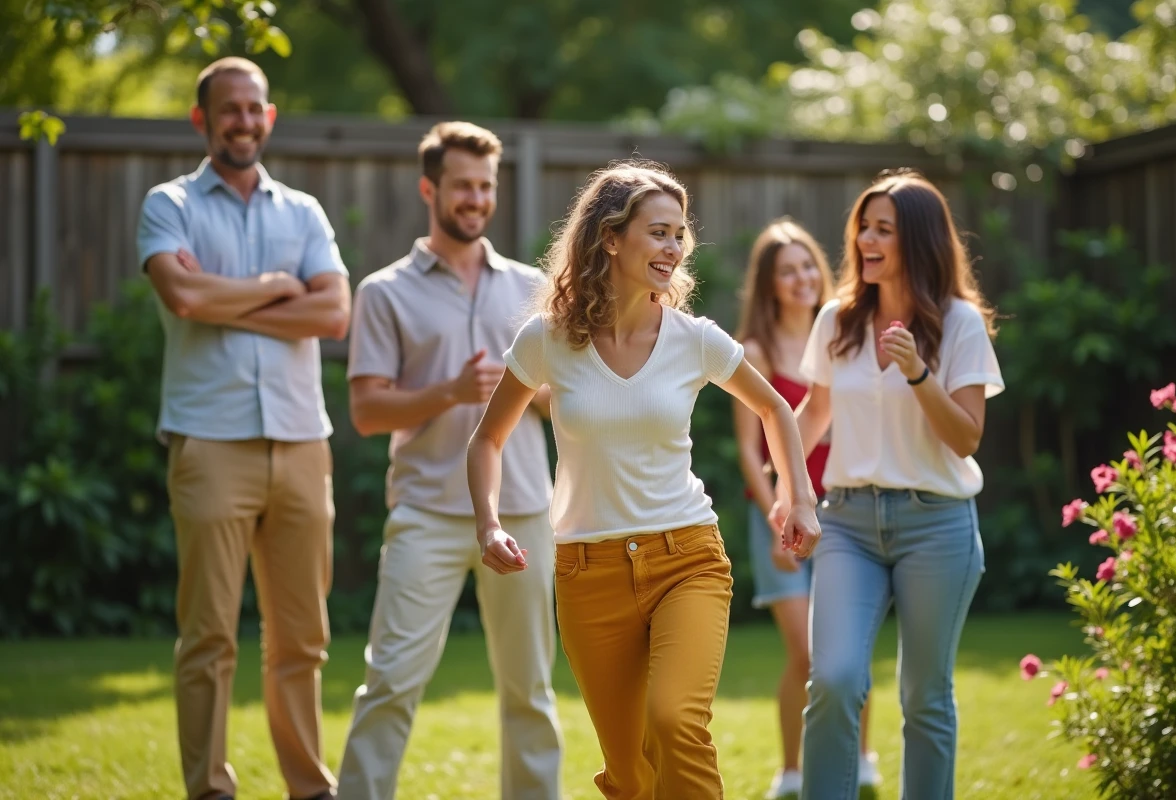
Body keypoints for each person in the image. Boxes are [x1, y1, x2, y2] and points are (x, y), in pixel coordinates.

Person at [466, 161, 823, 800]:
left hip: (687, 558)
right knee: (630, 773)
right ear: (610, 237)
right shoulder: (548, 339)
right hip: (587, 571)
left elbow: (775, 409)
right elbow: (487, 439)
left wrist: (799, 499)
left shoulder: (695, 339)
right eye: (659, 232)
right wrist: (489, 523)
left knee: (674, 720)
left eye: (679, 234)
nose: (673, 247)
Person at [136, 57, 350, 800]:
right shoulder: (168, 205)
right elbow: (183, 299)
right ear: (202, 119)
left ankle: (310, 788)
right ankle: (210, 790)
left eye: (254, 108)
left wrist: (221, 298)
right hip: (209, 441)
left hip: (301, 441)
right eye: (229, 109)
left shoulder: (304, 212)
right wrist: (276, 289)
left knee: (303, 638)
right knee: (208, 636)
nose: (243, 121)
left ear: (271, 116)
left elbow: (334, 313)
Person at [337, 121, 562, 800]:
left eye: (486, 186)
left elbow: (559, 402)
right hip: (427, 512)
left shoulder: (532, 288)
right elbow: (367, 412)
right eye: (463, 185)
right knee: (391, 681)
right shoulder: (383, 292)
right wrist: (450, 392)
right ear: (429, 189)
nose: (476, 199)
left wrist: (526, 393)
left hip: (523, 509)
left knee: (530, 688)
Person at [773, 169, 1004, 800]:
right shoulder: (838, 319)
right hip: (848, 522)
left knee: (925, 696)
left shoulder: (959, 323)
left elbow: (966, 437)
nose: (866, 241)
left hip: (937, 525)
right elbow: (812, 414)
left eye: (884, 230)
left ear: (920, 240)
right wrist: (787, 489)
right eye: (864, 227)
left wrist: (919, 373)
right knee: (834, 679)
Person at [731, 218, 880, 798]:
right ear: (769, 285)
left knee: (847, 648)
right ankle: (792, 771)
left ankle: (862, 759)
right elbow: (750, 449)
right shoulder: (755, 351)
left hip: (844, 511)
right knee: (807, 653)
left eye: (808, 267)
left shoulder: (844, 335)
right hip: (781, 515)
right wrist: (779, 510)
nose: (802, 279)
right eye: (787, 272)